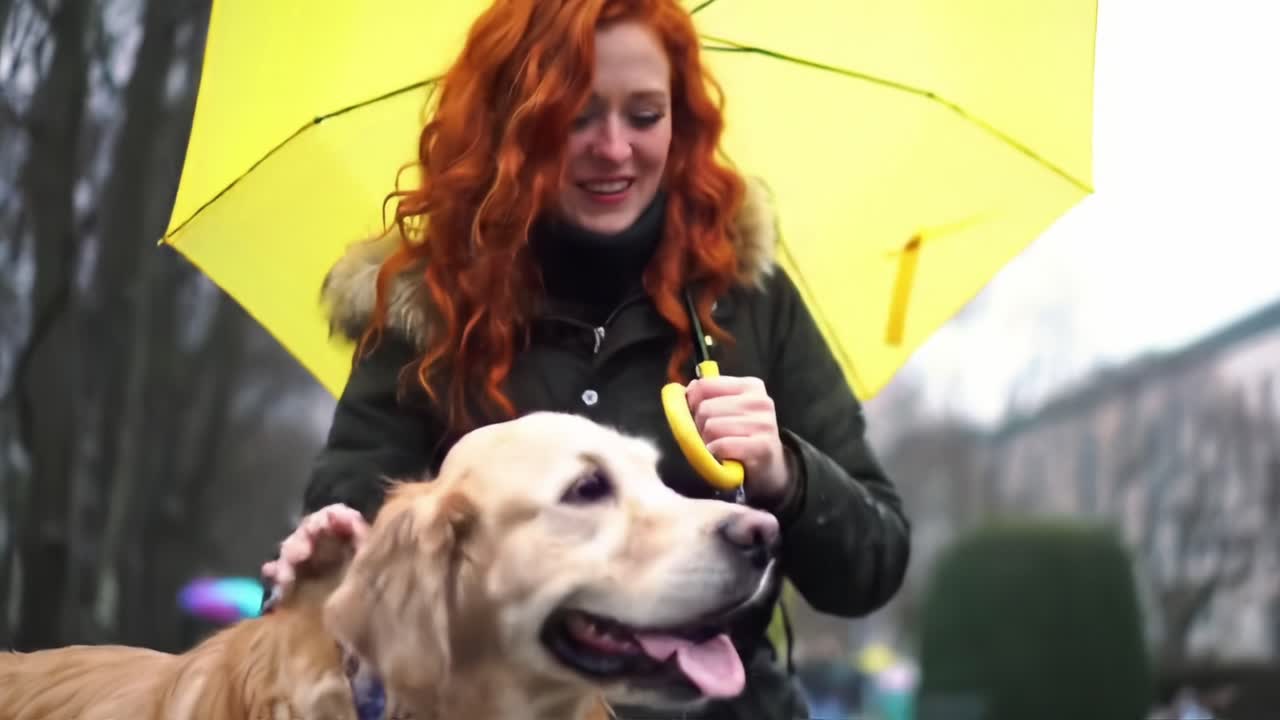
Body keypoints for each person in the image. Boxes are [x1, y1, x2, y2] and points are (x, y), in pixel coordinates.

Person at [261, 1, 911, 718]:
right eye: (576, 116)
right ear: (515, 124)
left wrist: (786, 474)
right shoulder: (427, 304)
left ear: (682, 121)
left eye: (644, 115)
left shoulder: (749, 296)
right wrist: (329, 563)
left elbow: (873, 565)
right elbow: (353, 541)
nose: (614, 147)